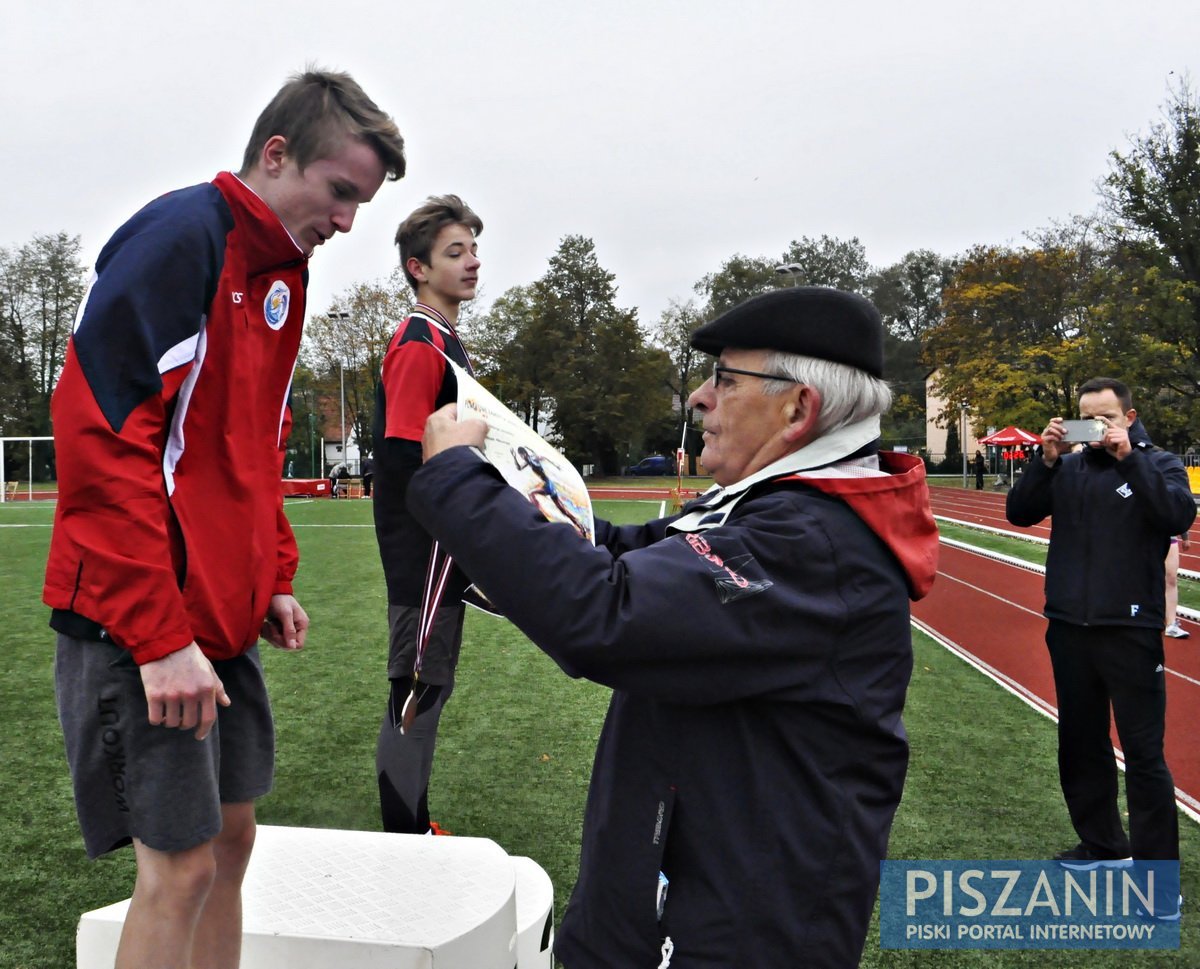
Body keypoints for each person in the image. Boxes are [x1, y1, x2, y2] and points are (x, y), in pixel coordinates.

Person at [409, 287, 939, 967]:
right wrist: (513, 506)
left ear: (798, 408)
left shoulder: (810, 541)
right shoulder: (773, 510)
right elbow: (619, 550)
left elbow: (605, 612)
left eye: (724, 378)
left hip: (733, 934)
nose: (699, 396)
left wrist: (457, 480)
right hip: (675, 905)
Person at [42, 69, 406, 969]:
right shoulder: (182, 237)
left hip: (220, 619)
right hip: (144, 623)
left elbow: (251, 443)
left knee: (233, 845)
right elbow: (103, 435)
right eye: (341, 191)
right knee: (179, 871)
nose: (350, 220)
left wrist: (270, 575)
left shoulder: (281, 270)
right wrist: (160, 637)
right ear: (276, 155)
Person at [1006, 378, 1193, 894]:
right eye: (1087, 417)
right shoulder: (1066, 467)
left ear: (1129, 418)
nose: (1097, 427)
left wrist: (1129, 457)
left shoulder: (1160, 464)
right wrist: (1044, 458)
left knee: (1143, 754)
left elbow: (1177, 515)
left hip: (1129, 628)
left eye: (1107, 416)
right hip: (1068, 624)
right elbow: (1018, 512)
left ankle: (1158, 882)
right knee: (1080, 744)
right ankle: (1103, 844)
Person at [372, 194, 482, 834]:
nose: (471, 262)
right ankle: (404, 834)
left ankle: (411, 825)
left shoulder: (443, 340)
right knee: (417, 686)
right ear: (419, 267)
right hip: (425, 552)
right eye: (454, 252)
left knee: (427, 681)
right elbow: (401, 453)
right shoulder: (419, 343)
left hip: (442, 545)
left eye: (472, 249)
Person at [1164, 534, 1191, 638]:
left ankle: (1171, 624)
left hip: (1170, 537)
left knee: (1171, 579)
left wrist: (1185, 537)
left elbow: (1178, 517)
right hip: (1145, 537)